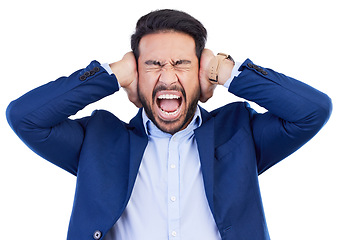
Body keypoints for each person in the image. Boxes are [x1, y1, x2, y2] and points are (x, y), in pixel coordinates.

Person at [6, 9, 332, 240]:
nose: (167, 76)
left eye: (181, 64)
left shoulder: (240, 133)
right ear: (136, 73)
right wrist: (111, 74)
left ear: (201, 72)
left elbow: (313, 110)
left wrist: (228, 71)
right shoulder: (98, 140)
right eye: (153, 65)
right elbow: (25, 117)